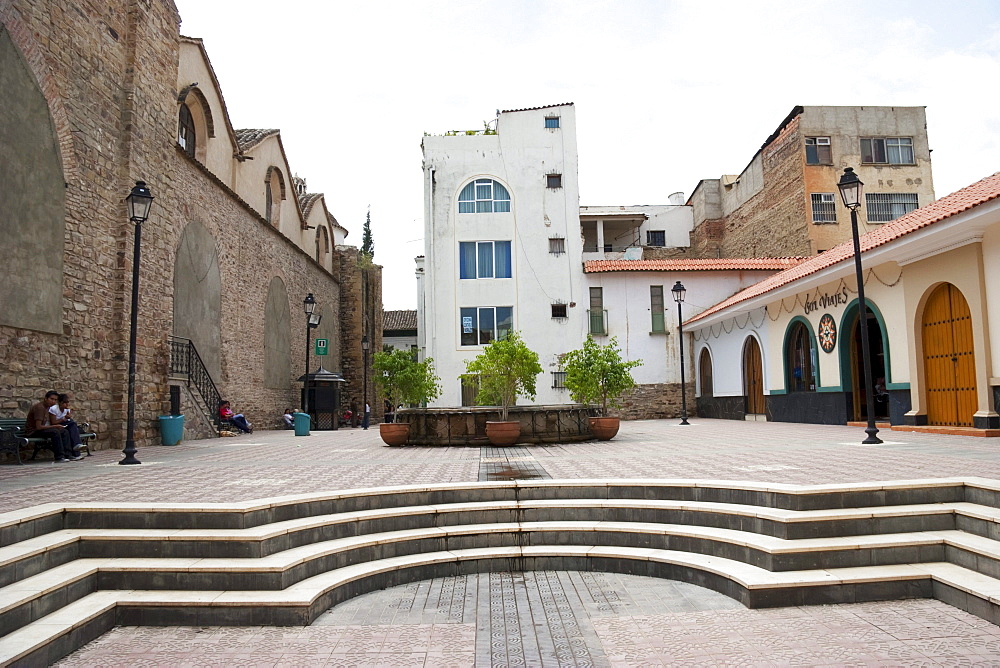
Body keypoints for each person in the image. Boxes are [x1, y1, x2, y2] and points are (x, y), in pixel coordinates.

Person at [26, 391, 81, 462]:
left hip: (40, 429)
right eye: (51, 399)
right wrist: (55, 426)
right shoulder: (40, 408)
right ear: (45, 399)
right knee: (55, 432)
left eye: (55, 400)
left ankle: (68, 455)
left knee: (64, 431)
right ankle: (59, 457)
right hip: (33, 431)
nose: (53, 401)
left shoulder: (47, 407)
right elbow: (38, 427)